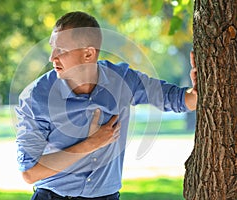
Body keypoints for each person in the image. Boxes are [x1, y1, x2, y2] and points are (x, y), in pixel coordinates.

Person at [15, 11, 197, 200]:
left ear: (88, 53)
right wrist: (90, 144)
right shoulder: (36, 97)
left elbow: (176, 99)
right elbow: (29, 172)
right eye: (53, 48)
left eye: (61, 50)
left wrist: (198, 90)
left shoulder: (122, 80)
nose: (52, 57)